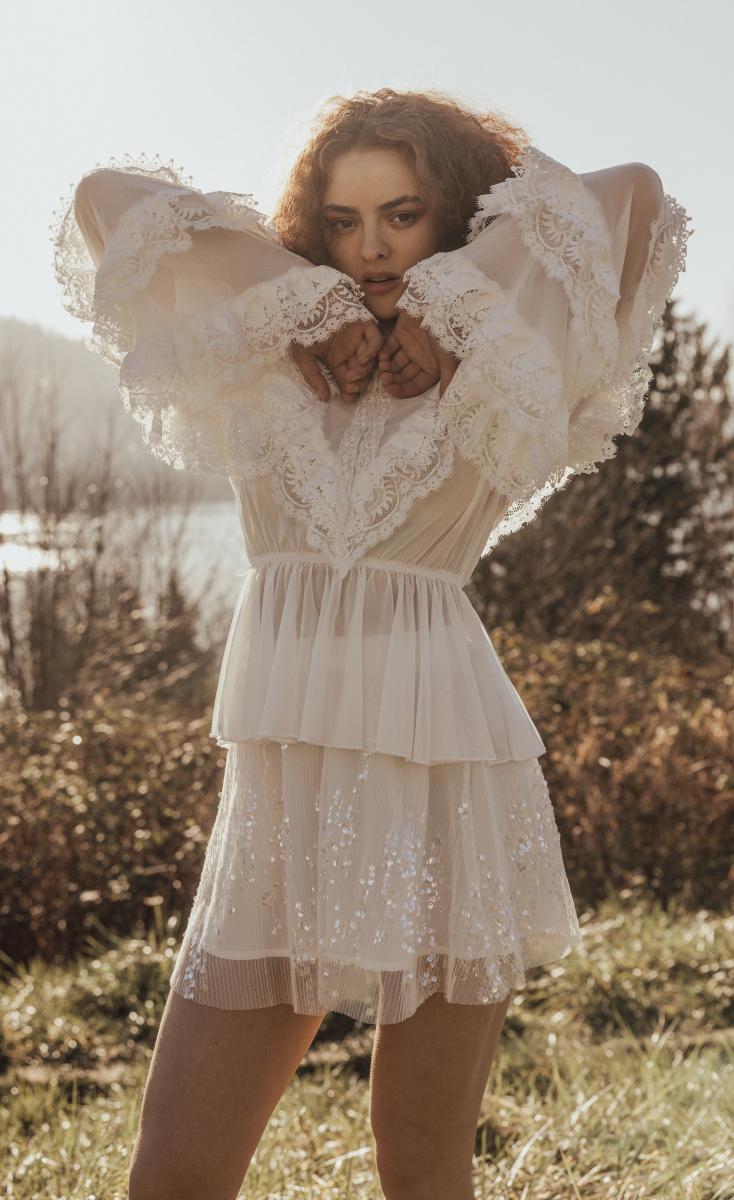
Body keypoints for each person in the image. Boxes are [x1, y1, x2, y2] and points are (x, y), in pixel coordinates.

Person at [51, 87, 692, 1200]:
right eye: (342, 222)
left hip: (450, 790)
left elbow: (630, 196)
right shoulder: (261, 353)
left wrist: (454, 304)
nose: (373, 248)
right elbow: (104, 201)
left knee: (423, 1166)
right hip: (283, 807)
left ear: (458, 218)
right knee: (177, 1170)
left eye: (403, 215)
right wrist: (302, 303)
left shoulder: (505, 367)